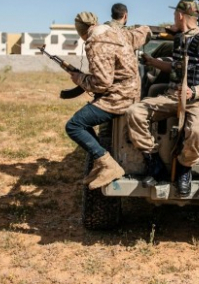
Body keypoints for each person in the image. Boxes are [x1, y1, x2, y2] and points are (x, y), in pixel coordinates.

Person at [126, 0, 199, 197]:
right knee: (135, 112)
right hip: (171, 96)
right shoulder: (179, 39)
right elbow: (176, 68)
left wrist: (194, 92)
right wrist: (154, 62)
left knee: (196, 131)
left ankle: (184, 168)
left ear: (179, 16)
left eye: (174, 16)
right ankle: (154, 162)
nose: (173, 20)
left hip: (196, 100)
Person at [65, 11, 152, 190]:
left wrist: (79, 79)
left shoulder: (95, 43)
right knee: (84, 121)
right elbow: (142, 33)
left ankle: (108, 165)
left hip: (118, 98)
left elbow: (102, 83)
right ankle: (101, 161)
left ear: (81, 32)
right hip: (131, 92)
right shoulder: (118, 32)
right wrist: (152, 29)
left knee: (74, 126)